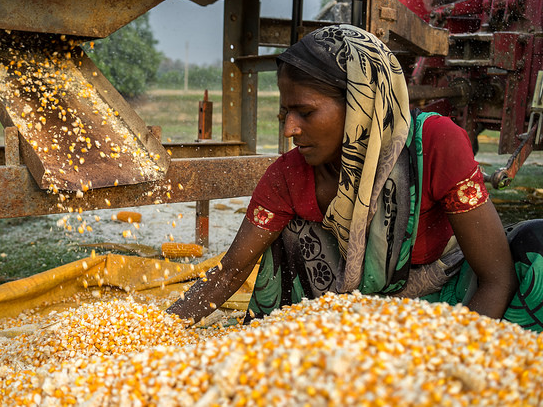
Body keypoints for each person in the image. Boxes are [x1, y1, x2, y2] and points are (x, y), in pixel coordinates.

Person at [166, 24, 543, 332]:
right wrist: (155, 326)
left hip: (444, 302)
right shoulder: (288, 176)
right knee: (291, 237)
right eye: (285, 113)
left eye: (305, 113)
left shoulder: (434, 144)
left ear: (362, 105)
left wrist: (451, 358)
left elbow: (496, 278)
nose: (289, 130)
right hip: (341, 317)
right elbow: (230, 270)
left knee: (534, 246)